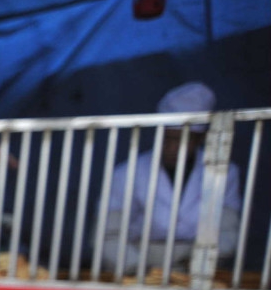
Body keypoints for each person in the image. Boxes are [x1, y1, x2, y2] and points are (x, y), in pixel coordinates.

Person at [99, 82, 243, 277]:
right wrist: (137, 270)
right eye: (168, 138)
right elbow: (109, 235)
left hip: (200, 268)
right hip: (137, 262)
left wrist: (198, 262)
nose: (173, 148)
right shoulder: (127, 172)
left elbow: (227, 231)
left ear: (200, 138)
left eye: (184, 139)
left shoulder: (224, 173)